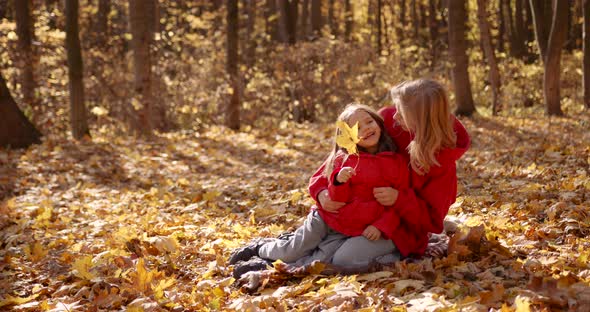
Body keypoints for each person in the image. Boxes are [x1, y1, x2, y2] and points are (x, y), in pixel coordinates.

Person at [228, 104, 410, 274]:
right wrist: (337, 182)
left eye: (369, 122)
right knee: (293, 249)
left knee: (325, 258)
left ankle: (272, 267)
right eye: (357, 128)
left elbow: (399, 201)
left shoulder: (395, 163)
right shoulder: (343, 158)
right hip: (325, 217)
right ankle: (261, 248)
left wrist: (381, 226)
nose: (366, 129)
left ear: (378, 122)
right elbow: (323, 185)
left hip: (354, 226)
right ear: (348, 136)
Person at [310, 78, 470, 268]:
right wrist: (322, 192)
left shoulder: (443, 164)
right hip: (359, 214)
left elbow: (432, 221)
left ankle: (398, 255)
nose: (394, 117)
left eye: (400, 114)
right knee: (318, 245)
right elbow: (342, 156)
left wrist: (399, 199)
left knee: (344, 260)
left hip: (397, 228)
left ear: (419, 120)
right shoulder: (387, 119)